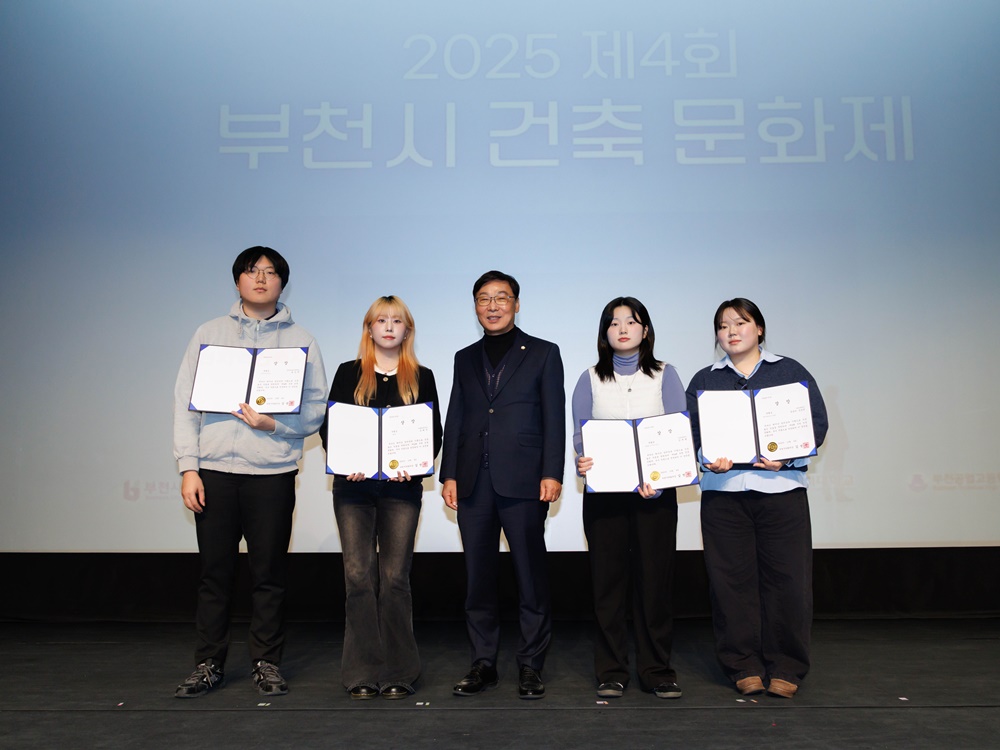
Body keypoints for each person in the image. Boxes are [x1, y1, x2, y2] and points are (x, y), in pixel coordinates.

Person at [172, 246, 327, 698]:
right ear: (238, 279)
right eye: (251, 271)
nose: (261, 278)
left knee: (269, 575)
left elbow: (316, 410)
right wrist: (188, 467)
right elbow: (185, 405)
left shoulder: (301, 340)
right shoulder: (209, 334)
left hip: (272, 474)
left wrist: (273, 424)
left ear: (283, 282)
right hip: (214, 472)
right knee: (214, 574)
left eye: (270, 272)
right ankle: (208, 664)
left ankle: (266, 662)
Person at [685, 298, 828, 699]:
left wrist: (788, 456)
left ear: (759, 328)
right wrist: (706, 458)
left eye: (741, 323)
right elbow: (689, 433)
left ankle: (787, 666)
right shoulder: (705, 379)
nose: (731, 331)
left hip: (781, 492)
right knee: (730, 583)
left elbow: (816, 422)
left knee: (789, 581)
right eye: (723, 326)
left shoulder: (790, 371)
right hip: (724, 496)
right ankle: (742, 664)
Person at [441, 270, 565, 700]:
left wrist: (552, 472)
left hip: (524, 479)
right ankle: (483, 663)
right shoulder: (464, 357)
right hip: (473, 482)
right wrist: (449, 473)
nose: (492, 306)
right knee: (478, 578)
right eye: (483, 298)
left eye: (501, 297)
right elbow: (456, 415)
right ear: (475, 306)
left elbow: (553, 416)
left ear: (516, 304)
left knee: (530, 576)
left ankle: (531, 665)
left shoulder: (544, 352)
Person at [320, 296, 442, 700]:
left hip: (401, 490)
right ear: (369, 329)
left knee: (394, 579)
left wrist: (416, 465)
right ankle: (361, 671)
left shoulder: (422, 376)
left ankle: (399, 671)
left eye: (396, 321)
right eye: (381, 320)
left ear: (407, 331)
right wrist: (345, 461)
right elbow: (330, 428)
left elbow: (433, 434)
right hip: (352, 490)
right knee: (358, 578)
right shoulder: (348, 372)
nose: (389, 327)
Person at [572, 297, 685, 700]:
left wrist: (663, 478)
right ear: (604, 332)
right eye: (614, 322)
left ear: (645, 330)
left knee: (655, 585)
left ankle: (657, 670)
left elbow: (678, 431)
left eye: (631, 322)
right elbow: (581, 435)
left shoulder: (666, 374)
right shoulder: (589, 378)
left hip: (655, 496)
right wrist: (583, 460)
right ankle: (612, 670)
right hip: (605, 498)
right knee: (608, 587)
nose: (622, 329)